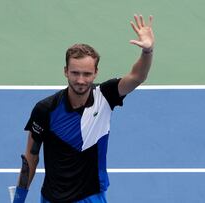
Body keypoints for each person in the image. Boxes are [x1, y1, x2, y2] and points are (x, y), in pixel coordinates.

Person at [12, 14, 155, 203]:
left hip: (91, 196)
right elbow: (30, 158)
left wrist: (148, 51)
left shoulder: (105, 96)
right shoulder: (45, 109)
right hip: (52, 198)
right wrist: (18, 200)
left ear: (96, 72)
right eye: (75, 73)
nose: (81, 80)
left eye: (87, 74)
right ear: (65, 71)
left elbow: (137, 77)